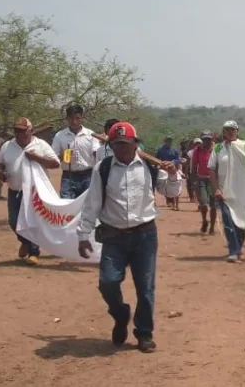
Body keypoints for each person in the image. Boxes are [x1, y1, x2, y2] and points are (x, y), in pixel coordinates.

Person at [77, 121, 175, 353]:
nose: (122, 149)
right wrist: (83, 235)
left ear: (135, 144)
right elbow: (92, 204)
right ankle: (121, 315)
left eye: (126, 144)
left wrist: (172, 175)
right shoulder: (103, 168)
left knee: (146, 287)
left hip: (145, 235)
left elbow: (170, 192)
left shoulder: (150, 168)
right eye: (117, 144)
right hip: (114, 236)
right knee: (108, 283)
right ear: (110, 145)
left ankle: (144, 333)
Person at [0, 118, 61, 266]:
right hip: (15, 190)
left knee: (32, 223)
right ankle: (24, 241)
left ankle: (34, 252)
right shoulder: (8, 145)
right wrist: (1, 172)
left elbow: (55, 163)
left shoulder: (40, 145)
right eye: (16, 130)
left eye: (22, 131)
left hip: (34, 192)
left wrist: (36, 157)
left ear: (30, 130)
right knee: (13, 221)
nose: (19, 134)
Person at [211, 120, 245, 263]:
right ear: (224, 132)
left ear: (237, 131)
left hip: (242, 192)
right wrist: (216, 189)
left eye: (233, 130)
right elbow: (212, 169)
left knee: (240, 223)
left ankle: (239, 246)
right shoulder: (218, 148)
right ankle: (233, 251)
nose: (230, 132)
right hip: (224, 192)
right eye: (227, 130)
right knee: (228, 220)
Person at [52, 105, 101, 199]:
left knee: (88, 205)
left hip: (88, 176)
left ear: (82, 118)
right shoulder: (59, 136)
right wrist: (64, 155)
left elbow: (97, 155)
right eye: (71, 118)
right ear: (67, 119)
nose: (74, 121)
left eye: (77, 118)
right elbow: (54, 158)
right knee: (67, 206)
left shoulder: (90, 135)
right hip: (68, 177)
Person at [191, 130, 217, 235]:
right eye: (205, 139)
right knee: (204, 204)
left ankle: (212, 227)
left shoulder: (216, 149)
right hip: (201, 179)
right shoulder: (197, 150)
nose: (207, 141)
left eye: (209, 139)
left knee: (214, 205)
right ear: (202, 140)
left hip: (213, 180)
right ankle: (205, 220)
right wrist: (193, 181)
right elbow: (194, 166)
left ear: (212, 139)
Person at [156, 136, 180, 210]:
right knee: (165, 186)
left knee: (176, 184)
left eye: (170, 141)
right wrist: (161, 163)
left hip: (173, 169)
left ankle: (176, 204)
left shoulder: (174, 150)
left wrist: (173, 162)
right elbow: (157, 159)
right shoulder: (160, 150)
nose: (169, 142)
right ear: (165, 141)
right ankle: (169, 200)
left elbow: (178, 159)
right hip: (163, 170)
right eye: (167, 141)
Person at [184, 138, 202, 203]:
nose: (198, 145)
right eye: (196, 143)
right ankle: (194, 198)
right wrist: (186, 173)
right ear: (193, 144)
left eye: (199, 143)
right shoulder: (190, 152)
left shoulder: (204, 151)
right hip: (193, 172)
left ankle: (200, 201)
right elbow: (187, 164)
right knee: (194, 186)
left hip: (202, 173)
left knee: (201, 187)